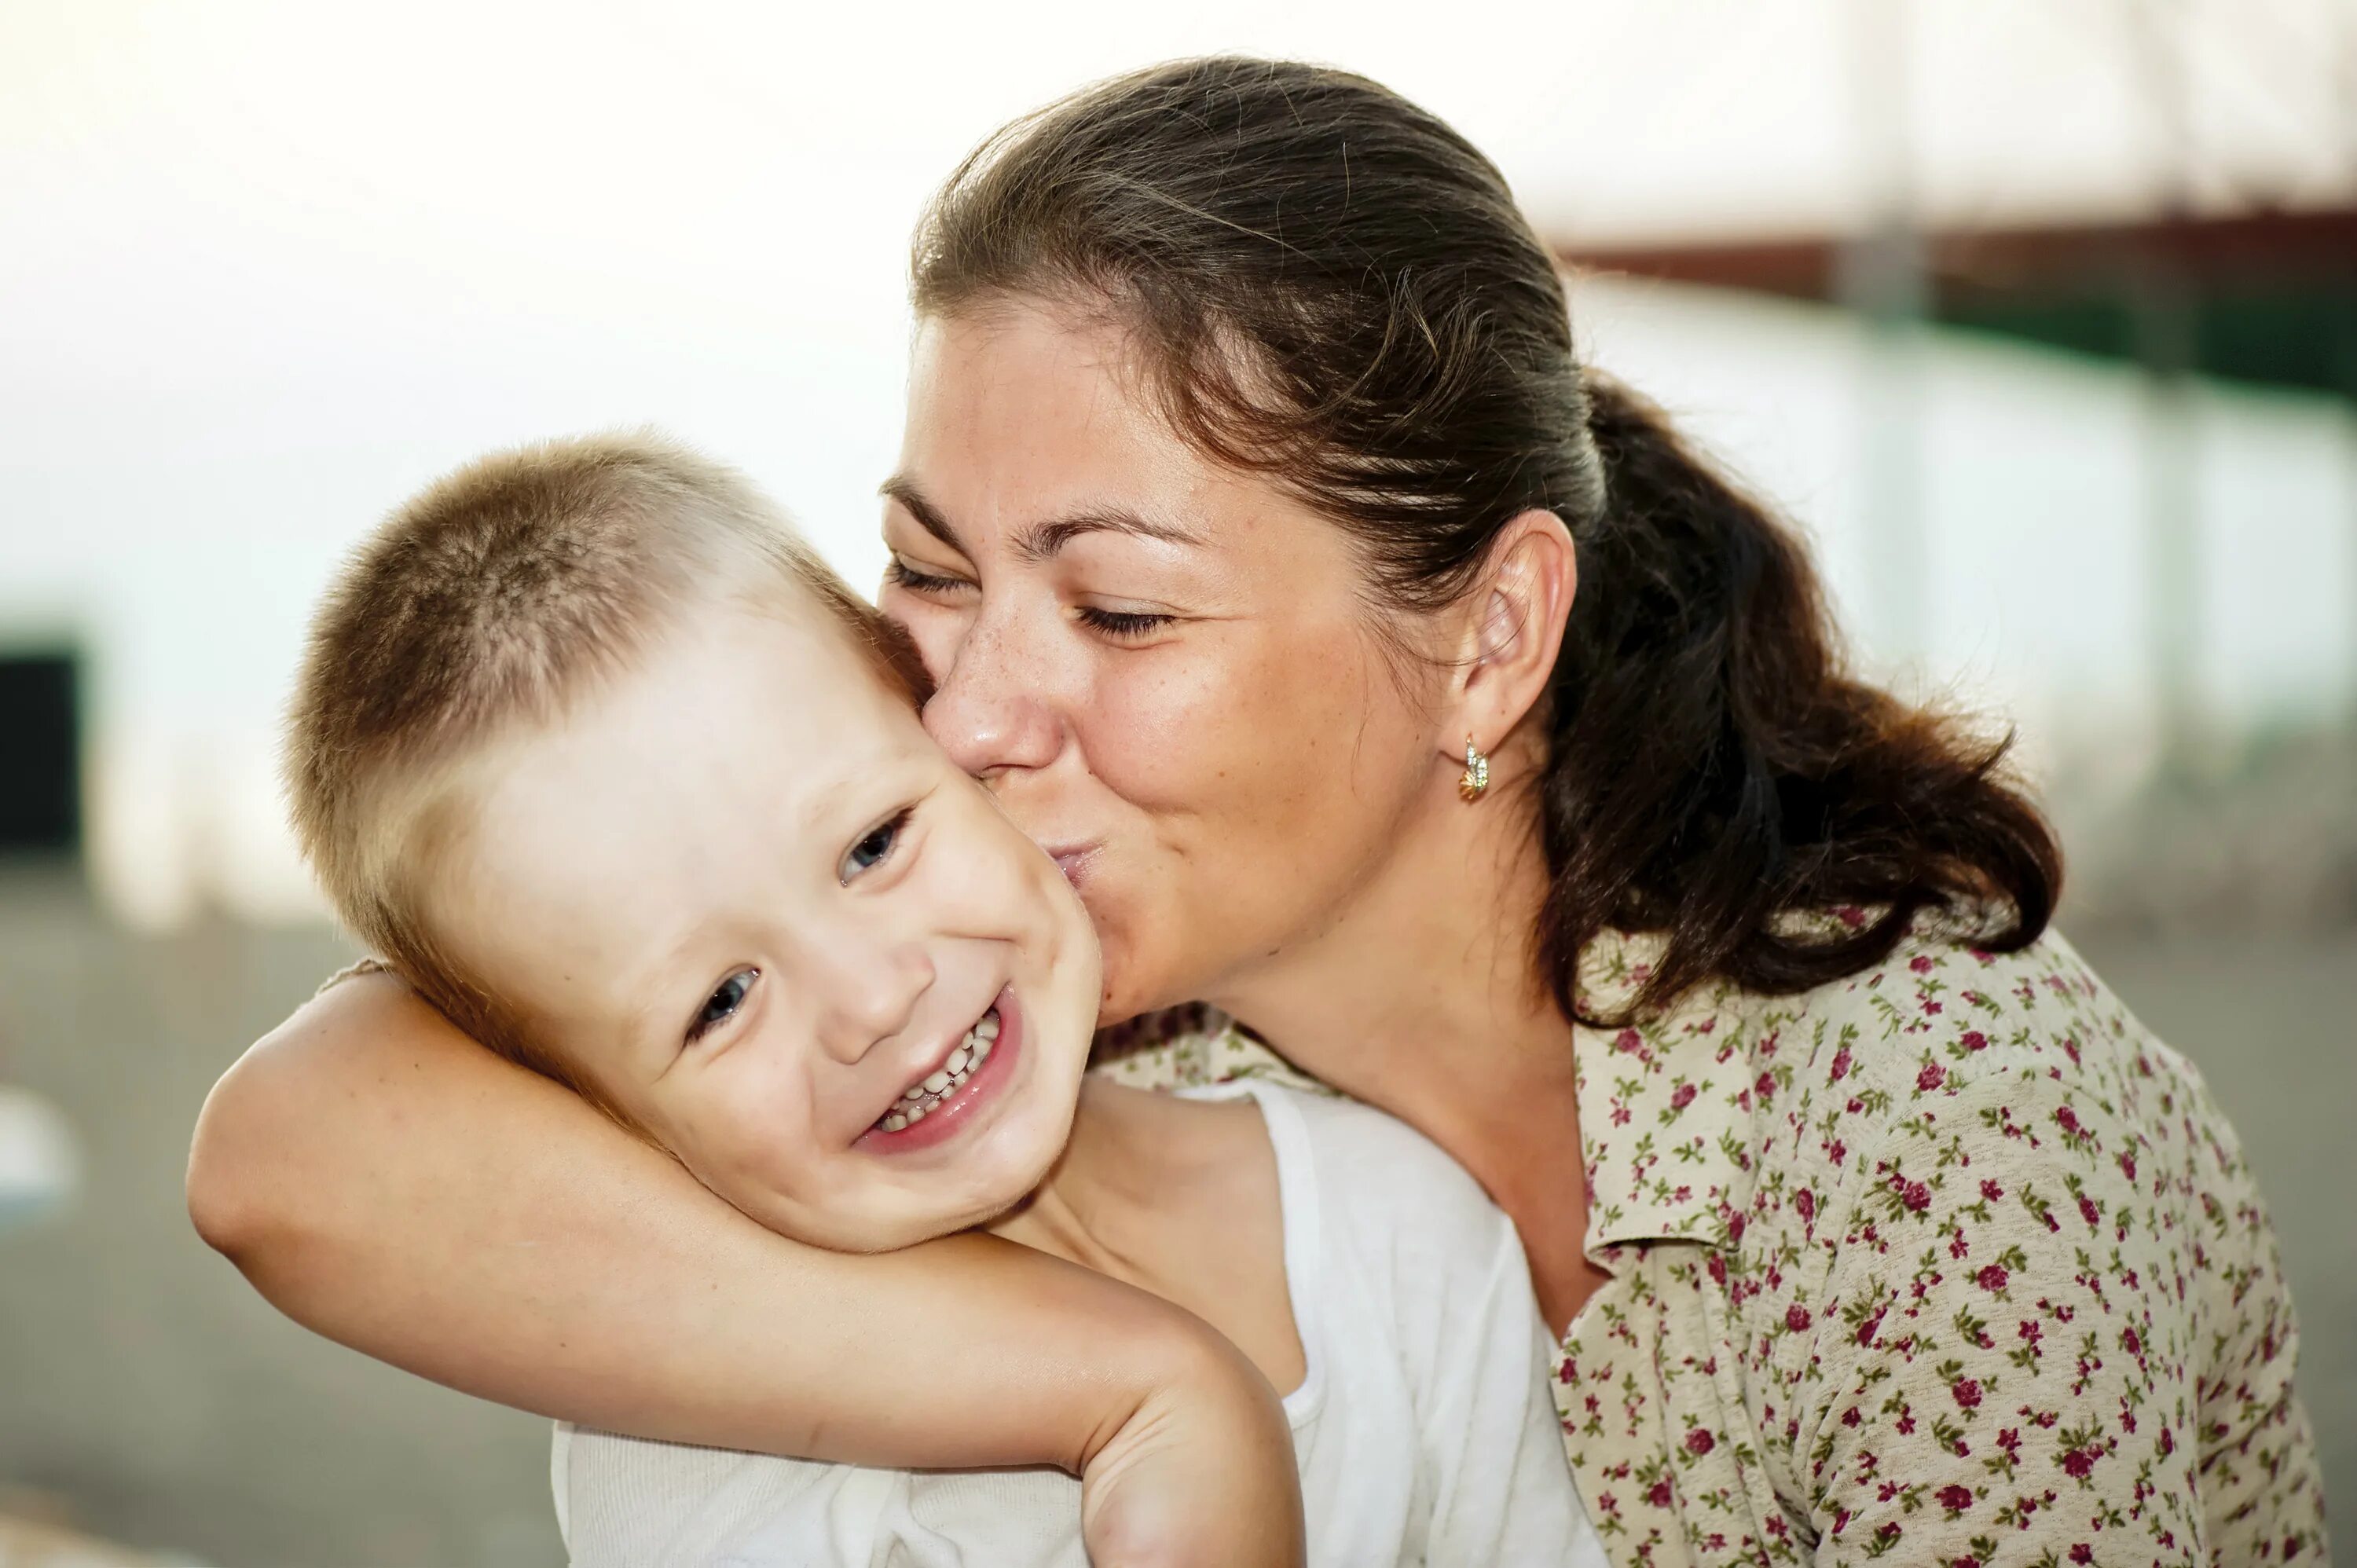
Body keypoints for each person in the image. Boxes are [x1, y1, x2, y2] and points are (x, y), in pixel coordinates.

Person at [190, 57, 2326, 1566]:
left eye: (1113, 601)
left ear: (1488, 644)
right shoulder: (1009, 1010)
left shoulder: (1936, 1126)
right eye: (933, 567)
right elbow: (296, 1145)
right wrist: (1129, 1379)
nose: (980, 701)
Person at [275, 432, 1598, 1568]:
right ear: (594, 1112)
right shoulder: (690, 1438)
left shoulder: (1400, 1228)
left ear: (960, 737)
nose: (871, 995)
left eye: (871, 846)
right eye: (719, 1002)